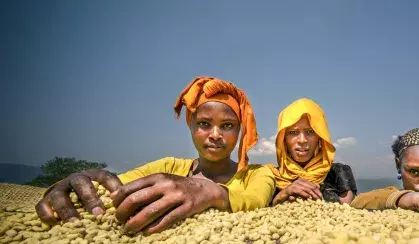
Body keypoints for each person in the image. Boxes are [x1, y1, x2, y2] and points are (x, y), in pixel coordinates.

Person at [35, 77, 276, 234]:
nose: (215, 135)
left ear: (240, 131)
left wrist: (210, 191)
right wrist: (76, 182)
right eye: (204, 123)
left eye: (227, 126)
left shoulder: (257, 174)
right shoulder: (168, 167)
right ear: (190, 124)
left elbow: (255, 199)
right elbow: (115, 187)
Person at [269, 98, 357, 205]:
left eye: (310, 132)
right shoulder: (271, 177)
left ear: (320, 137)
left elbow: (346, 210)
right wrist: (282, 195)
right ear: (283, 139)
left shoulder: (338, 172)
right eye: (293, 132)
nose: (302, 140)